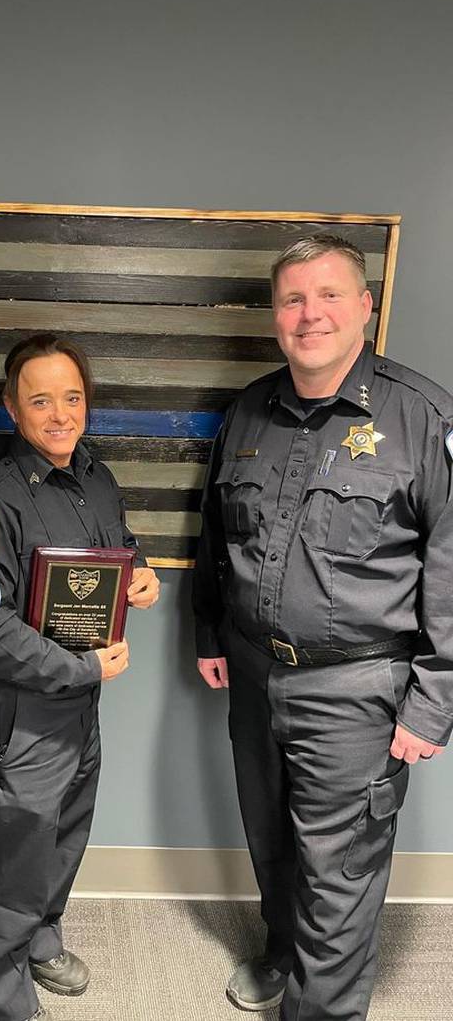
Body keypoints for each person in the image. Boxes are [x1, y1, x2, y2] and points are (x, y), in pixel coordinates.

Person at [193, 233, 453, 1021]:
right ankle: (283, 955)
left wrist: (434, 699)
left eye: (331, 294)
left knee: (338, 875)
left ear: (367, 306)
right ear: (276, 315)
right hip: (253, 673)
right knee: (273, 843)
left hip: (358, 688)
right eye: (295, 299)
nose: (312, 314)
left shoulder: (422, 417)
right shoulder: (249, 410)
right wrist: (209, 633)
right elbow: (216, 532)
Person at [0, 334, 160, 1021]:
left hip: (83, 699)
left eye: (72, 397)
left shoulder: (96, 478)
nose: (60, 412)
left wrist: (141, 576)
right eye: (40, 399)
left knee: (66, 830)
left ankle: (40, 938)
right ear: (14, 409)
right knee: (18, 849)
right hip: (27, 707)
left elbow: (115, 550)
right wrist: (76, 666)